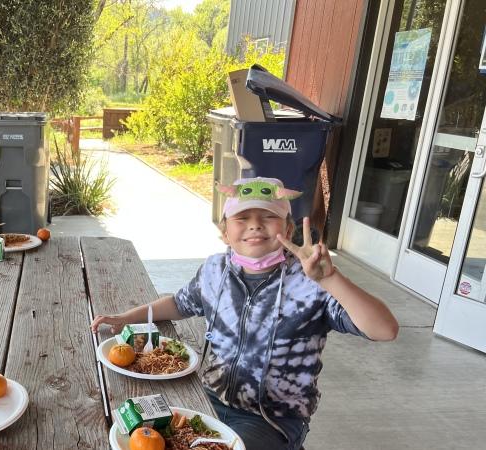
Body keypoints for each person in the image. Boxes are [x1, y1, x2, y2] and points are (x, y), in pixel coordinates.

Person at [91, 177, 399, 450]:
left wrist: (330, 279)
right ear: (225, 232)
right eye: (242, 217)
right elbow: (180, 304)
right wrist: (126, 317)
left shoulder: (311, 283)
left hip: (271, 420)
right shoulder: (215, 269)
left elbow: (384, 330)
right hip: (206, 397)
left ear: (288, 229)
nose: (255, 224)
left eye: (269, 216)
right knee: (125, 426)